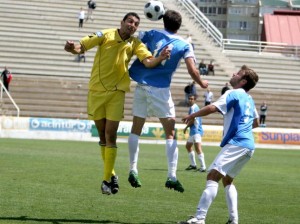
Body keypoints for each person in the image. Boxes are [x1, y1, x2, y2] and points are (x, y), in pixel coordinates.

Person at [64, 12, 170, 196]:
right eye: (130, 21)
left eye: (136, 23)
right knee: (102, 138)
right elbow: (81, 48)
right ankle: (111, 173)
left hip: (116, 93)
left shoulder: (136, 43)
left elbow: (148, 61)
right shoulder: (105, 35)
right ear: (122, 22)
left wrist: (160, 58)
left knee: (110, 134)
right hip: (96, 92)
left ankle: (106, 181)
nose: (133, 25)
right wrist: (71, 48)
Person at [127, 10, 208, 193]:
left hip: (140, 85)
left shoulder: (151, 33)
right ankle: (171, 176)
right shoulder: (185, 44)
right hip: (160, 89)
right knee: (170, 133)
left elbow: (131, 34)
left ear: (163, 20)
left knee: (136, 129)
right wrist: (202, 82)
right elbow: (192, 71)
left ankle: (133, 168)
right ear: (179, 26)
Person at [180, 65, 259, 224]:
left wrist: (193, 115)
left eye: (238, 73)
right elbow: (256, 122)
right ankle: (233, 220)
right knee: (227, 180)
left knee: (212, 175)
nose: (233, 73)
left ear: (243, 81)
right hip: (249, 145)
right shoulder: (249, 98)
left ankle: (199, 219)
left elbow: (212, 107)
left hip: (237, 143)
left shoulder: (233, 93)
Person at [183, 94, 206, 172]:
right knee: (188, 146)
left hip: (196, 131)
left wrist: (186, 127)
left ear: (195, 100)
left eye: (192, 99)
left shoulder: (194, 108)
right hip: (193, 131)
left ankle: (203, 167)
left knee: (198, 148)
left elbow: (192, 120)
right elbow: (191, 119)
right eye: (189, 98)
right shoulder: (193, 108)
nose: (190, 100)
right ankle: (193, 165)